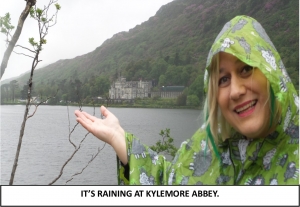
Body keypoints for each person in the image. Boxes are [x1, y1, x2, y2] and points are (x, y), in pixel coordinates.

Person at [75, 15, 299, 185]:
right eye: (223, 79)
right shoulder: (210, 146)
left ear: (271, 71)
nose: (235, 91)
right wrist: (119, 138)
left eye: (246, 69)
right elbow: (170, 185)